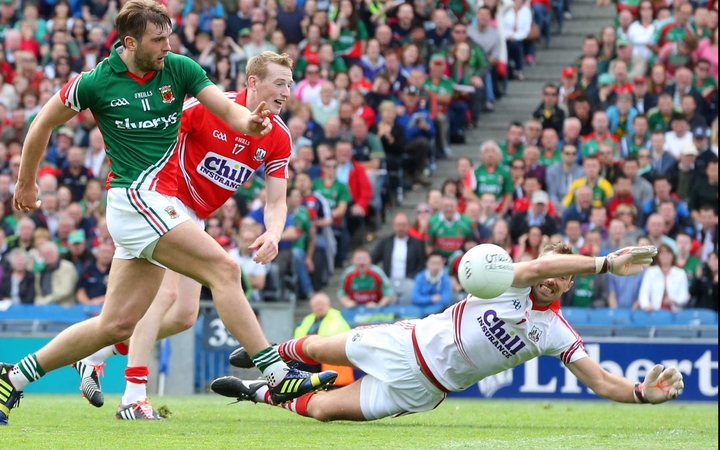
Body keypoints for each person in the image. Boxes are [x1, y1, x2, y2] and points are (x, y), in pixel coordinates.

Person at [0, 2, 333, 425]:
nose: (168, 46)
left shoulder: (179, 68)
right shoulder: (95, 82)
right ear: (130, 42)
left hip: (156, 207)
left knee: (115, 325)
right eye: (158, 39)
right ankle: (276, 373)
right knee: (224, 270)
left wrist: (250, 125)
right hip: (138, 199)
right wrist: (26, 181)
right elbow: (41, 124)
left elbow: (225, 109)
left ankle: (14, 376)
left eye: (169, 37)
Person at [69, 50, 336, 418]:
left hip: (195, 216)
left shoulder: (279, 137)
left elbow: (277, 200)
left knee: (184, 316)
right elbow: (155, 138)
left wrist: (274, 232)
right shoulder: (208, 107)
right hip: (163, 202)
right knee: (163, 298)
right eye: (279, 83)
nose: (287, 91)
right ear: (253, 82)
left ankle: (96, 354)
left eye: (290, 84)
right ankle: (133, 394)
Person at [212, 244, 686, 422]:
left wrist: (643, 394)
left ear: (568, 283)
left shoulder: (555, 331)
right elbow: (539, 262)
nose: (550, 277)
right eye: (549, 267)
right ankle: (272, 356)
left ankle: (258, 393)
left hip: (425, 388)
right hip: (406, 341)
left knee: (320, 412)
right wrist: (605, 262)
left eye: (563, 276)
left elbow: (602, 381)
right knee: (314, 346)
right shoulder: (507, 278)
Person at [638, 244, 690, 312]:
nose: (665, 256)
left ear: (672, 256)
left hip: (675, 313)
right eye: (662, 254)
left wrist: (674, 301)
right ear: (658, 256)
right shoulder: (651, 272)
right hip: (654, 313)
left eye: (668, 253)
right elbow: (643, 293)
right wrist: (646, 305)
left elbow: (684, 296)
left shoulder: (680, 273)